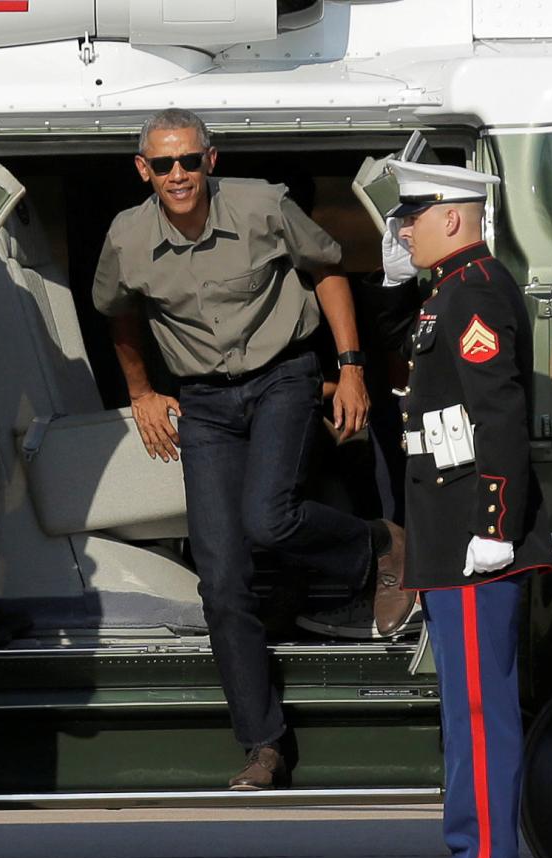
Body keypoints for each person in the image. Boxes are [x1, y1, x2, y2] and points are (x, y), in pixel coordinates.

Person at [92, 108, 414, 790]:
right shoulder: (126, 234)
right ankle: (263, 746)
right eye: (162, 164)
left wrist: (352, 366)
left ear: (210, 160)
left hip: (283, 378)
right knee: (222, 578)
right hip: (204, 402)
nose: (177, 175)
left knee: (268, 517)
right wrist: (143, 390)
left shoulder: (263, 205)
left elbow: (327, 269)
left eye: (188, 161)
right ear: (142, 170)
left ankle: (382, 545)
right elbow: (118, 310)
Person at [381, 160, 552, 858]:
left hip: (475, 540)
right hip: (449, 536)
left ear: (453, 216)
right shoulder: (448, 291)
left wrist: (495, 527)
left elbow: (500, 415)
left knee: (483, 715)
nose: (403, 229)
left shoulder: (475, 289)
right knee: (464, 714)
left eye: (411, 214)